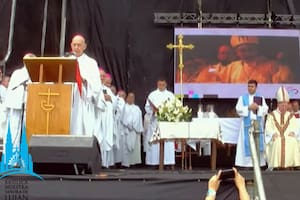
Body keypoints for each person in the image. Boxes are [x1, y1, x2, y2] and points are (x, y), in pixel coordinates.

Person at [69, 34, 103, 137]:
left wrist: (85, 82)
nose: (76, 47)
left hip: (83, 101)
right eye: (74, 45)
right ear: (71, 45)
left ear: (85, 46)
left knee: (81, 131)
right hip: (67, 101)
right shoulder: (66, 60)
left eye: (79, 45)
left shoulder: (91, 63)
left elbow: (96, 86)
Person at [222, 36, 293, 83]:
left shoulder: (272, 66)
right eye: (243, 50)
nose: (248, 53)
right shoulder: (232, 67)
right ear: (237, 53)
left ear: (257, 50)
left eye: (251, 49)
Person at [1, 53, 33, 148]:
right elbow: (12, 90)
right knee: (14, 133)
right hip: (16, 109)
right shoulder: (17, 73)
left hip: (31, 111)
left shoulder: (38, 73)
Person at [235, 80, 268, 168]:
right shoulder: (242, 98)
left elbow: (265, 110)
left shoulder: (260, 98)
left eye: (252, 86)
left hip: (257, 125)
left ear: (256, 87)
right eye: (249, 86)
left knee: (257, 143)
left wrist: (258, 108)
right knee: (246, 143)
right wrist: (248, 108)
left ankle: (258, 163)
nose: (250, 88)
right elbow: (238, 109)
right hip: (246, 125)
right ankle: (246, 164)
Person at [265, 86, 300, 169]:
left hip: (289, 137)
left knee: (293, 141)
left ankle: (292, 165)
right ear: (278, 104)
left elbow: (296, 127)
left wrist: (294, 133)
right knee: (277, 142)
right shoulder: (272, 115)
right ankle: (276, 166)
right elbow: (268, 128)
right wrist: (272, 134)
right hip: (276, 137)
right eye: (282, 105)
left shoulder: (291, 115)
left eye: (285, 105)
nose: (284, 107)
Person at [144, 78, 175, 167]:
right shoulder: (152, 95)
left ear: (166, 85)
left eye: (163, 85)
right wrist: (153, 111)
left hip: (167, 122)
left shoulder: (170, 95)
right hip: (155, 122)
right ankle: (154, 162)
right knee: (155, 143)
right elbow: (147, 107)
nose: (161, 86)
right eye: (159, 85)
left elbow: (174, 107)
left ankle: (168, 162)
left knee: (168, 143)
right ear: (157, 85)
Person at [120, 92, 143, 167]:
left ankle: (133, 163)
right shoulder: (124, 107)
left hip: (134, 130)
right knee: (125, 147)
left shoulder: (137, 108)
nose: (131, 99)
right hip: (126, 130)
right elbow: (122, 118)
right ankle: (125, 163)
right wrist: (128, 125)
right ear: (127, 98)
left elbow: (138, 119)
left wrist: (133, 126)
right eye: (130, 97)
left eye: (133, 97)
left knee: (134, 148)